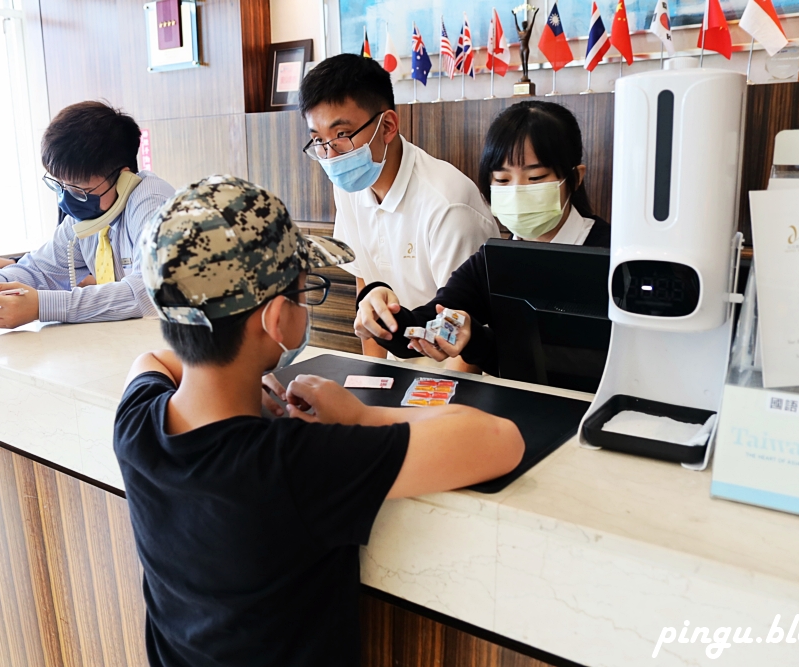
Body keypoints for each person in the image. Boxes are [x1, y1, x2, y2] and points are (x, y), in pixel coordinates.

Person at [114, 175, 524, 667]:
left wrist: (248, 384)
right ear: (277, 319)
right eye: (305, 290)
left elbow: (151, 362)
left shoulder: (137, 424)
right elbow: (498, 440)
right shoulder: (292, 465)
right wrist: (359, 415)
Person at [354, 101, 610, 375]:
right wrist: (379, 308)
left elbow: (591, 367)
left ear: (575, 178)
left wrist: (476, 340)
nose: (516, 192)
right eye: (502, 180)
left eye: (535, 177)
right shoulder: (493, 261)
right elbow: (425, 325)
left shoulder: (612, 257)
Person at [299, 54, 500, 363]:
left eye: (341, 135)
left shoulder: (447, 205)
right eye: (318, 140)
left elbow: (462, 327)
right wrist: (374, 377)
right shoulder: (349, 188)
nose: (330, 155)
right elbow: (366, 289)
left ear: (388, 125)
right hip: (399, 370)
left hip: (455, 376)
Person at [0, 101, 174, 328]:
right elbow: (38, 269)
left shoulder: (153, 202)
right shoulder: (90, 217)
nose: (68, 199)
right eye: (62, 186)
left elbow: (149, 292)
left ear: (123, 177)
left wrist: (41, 306)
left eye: (79, 190)